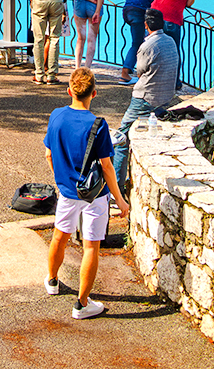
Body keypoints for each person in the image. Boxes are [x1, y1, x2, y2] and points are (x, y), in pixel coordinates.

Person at [43, 68, 128, 319]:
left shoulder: (56, 116)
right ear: (95, 93)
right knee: (91, 247)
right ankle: (81, 304)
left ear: (69, 91)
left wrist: (59, 182)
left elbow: (48, 154)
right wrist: (120, 200)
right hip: (95, 194)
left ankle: (52, 280)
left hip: (68, 192)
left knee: (60, 236)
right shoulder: (98, 125)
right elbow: (107, 167)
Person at [111, 8, 180, 190]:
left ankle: (116, 186)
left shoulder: (148, 45)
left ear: (146, 25)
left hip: (145, 97)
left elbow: (140, 70)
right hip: (165, 96)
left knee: (121, 136)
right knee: (146, 130)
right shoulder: (170, 41)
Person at [120, 0, 168, 84]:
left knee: (141, 42)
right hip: (140, 11)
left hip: (128, 8)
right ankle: (128, 74)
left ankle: (136, 73)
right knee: (140, 44)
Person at [151, 0, 199, 85]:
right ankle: (174, 82)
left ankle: (151, 78)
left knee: (153, 48)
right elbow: (189, 3)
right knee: (173, 52)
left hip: (154, 15)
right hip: (171, 18)